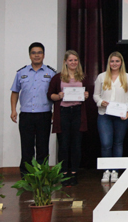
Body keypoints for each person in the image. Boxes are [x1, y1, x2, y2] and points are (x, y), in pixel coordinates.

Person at [10, 42, 56, 176]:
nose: (37, 55)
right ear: (30, 55)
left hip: (44, 115)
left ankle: (42, 176)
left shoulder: (51, 73)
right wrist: (13, 110)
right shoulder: (21, 73)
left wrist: (55, 111)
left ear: (44, 55)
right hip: (26, 115)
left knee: (43, 147)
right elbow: (15, 92)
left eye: (39, 52)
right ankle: (26, 177)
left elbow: (54, 93)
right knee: (27, 148)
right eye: (34, 53)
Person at [47, 50, 89, 186]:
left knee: (76, 145)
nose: (73, 62)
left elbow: (87, 93)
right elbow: (50, 95)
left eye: (75, 60)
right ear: (65, 62)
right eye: (70, 60)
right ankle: (64, 173)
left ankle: (74, 173)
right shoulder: (57, 77)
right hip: (63, 113)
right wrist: (58, 96)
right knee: (64, 145)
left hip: (77, 112)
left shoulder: (82, 77)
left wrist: (86, 95)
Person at [93, 51, 128, 183]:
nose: (114, 64)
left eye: (117, 61)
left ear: (121, 63)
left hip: (121, 116)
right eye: (112, 61)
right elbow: (96, 95)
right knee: (106, 144)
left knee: (118, 143)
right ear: (108, 63)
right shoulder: (101, 77)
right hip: (104, 114)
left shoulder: (127, 77)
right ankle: (106, 170)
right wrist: (101, 102)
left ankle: (115, 170)